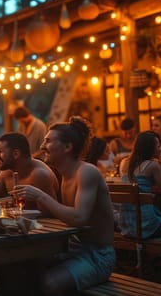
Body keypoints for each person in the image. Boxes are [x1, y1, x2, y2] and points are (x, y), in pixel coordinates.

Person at [10, 116, 115, 294]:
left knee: (49, 284)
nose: (42, 146)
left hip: (98, 255)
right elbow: (57, 214)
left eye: (48, 141)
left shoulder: (87, 172)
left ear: (68, 147)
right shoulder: (62, 174)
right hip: (71, 248)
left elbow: (79, 218)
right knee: (18, 267)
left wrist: (41, 196)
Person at [118, 131, 161, 239]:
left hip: (128, 226)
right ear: (149, 148)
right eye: (158, 146)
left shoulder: (124, 163)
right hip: (147, 227)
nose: (160, 149)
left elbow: (139, 184)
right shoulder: (152, 165)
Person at [0, 132, 58, 212]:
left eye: (0, 151)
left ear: (16, 154)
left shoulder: (39, 174)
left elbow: (49, 213)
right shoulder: (8, 172)